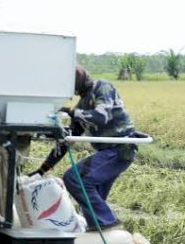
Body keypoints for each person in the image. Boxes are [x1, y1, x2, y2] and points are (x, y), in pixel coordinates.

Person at [31, 65, 137, 231]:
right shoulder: (82, 104)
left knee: (75, 178)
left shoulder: (102, 87)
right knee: (93, 197)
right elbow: (67, 141)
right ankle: (101, 234)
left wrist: (73, 113)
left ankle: (107, 224)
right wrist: (42, 170)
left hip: (119, 149)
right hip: (108, 152)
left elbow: (101, 116)